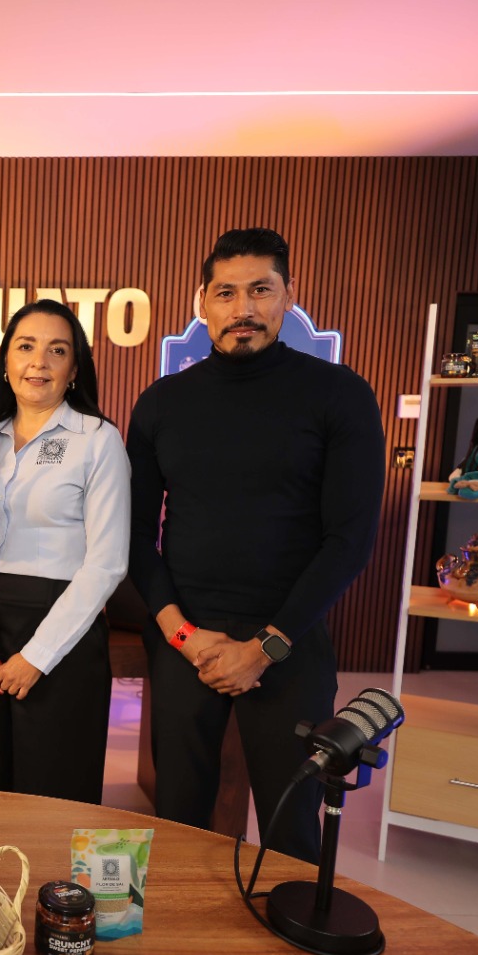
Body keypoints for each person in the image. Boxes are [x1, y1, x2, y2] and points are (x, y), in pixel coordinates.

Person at [126, 227, 384, 864]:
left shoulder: (340, 394)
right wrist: (182, 635)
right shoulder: (162, 403)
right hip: (187, 642)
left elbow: (349, 539)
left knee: (290, 826)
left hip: (289, 639)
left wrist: (266, 647)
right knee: (178, 818)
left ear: (289, 295)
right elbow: (133, 533)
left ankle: (285, 920)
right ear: (202, 303)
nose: (242, 308)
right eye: (226, 293)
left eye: (260, 290)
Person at [0, 300, 130, 804]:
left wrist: (36, 657)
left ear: (75, 369)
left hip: (60, 633)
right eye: (26, 347)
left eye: (57, 350)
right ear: (5, 361)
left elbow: (107, 564)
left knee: (53, 793)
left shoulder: (98, 440)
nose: (39, 362)